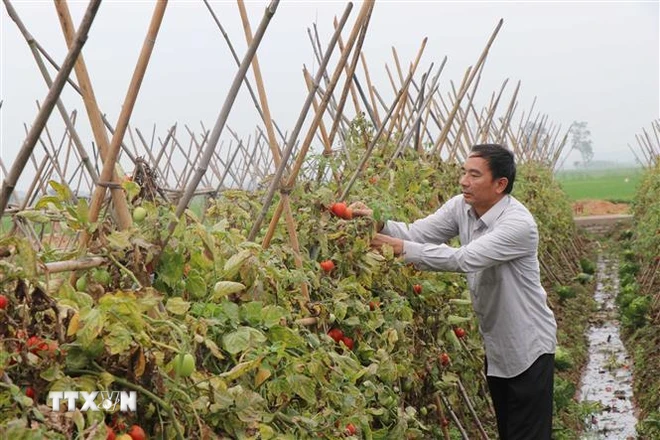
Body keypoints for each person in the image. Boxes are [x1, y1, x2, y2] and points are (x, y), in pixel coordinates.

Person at [349, 143, 557, 440]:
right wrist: (379, 222)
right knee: (510, 432)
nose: (463, 181)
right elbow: (417, 232)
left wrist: (400, 249)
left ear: (500, 184)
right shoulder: (462, 206)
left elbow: (465, 258)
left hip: (529, 347)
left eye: (474, 175)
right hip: (498, 348)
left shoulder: (518, 225)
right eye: (464, 172)